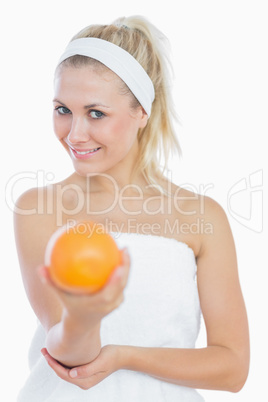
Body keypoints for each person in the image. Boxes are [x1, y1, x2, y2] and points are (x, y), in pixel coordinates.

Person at [14, 15, 249, 402]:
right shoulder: (38, 208)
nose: (74, 134)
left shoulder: (202, 218)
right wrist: (83, 317)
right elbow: (69, 356)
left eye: (96, 113)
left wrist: (125, 356)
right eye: (62, 109)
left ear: (142, 112)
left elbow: (233, 368)